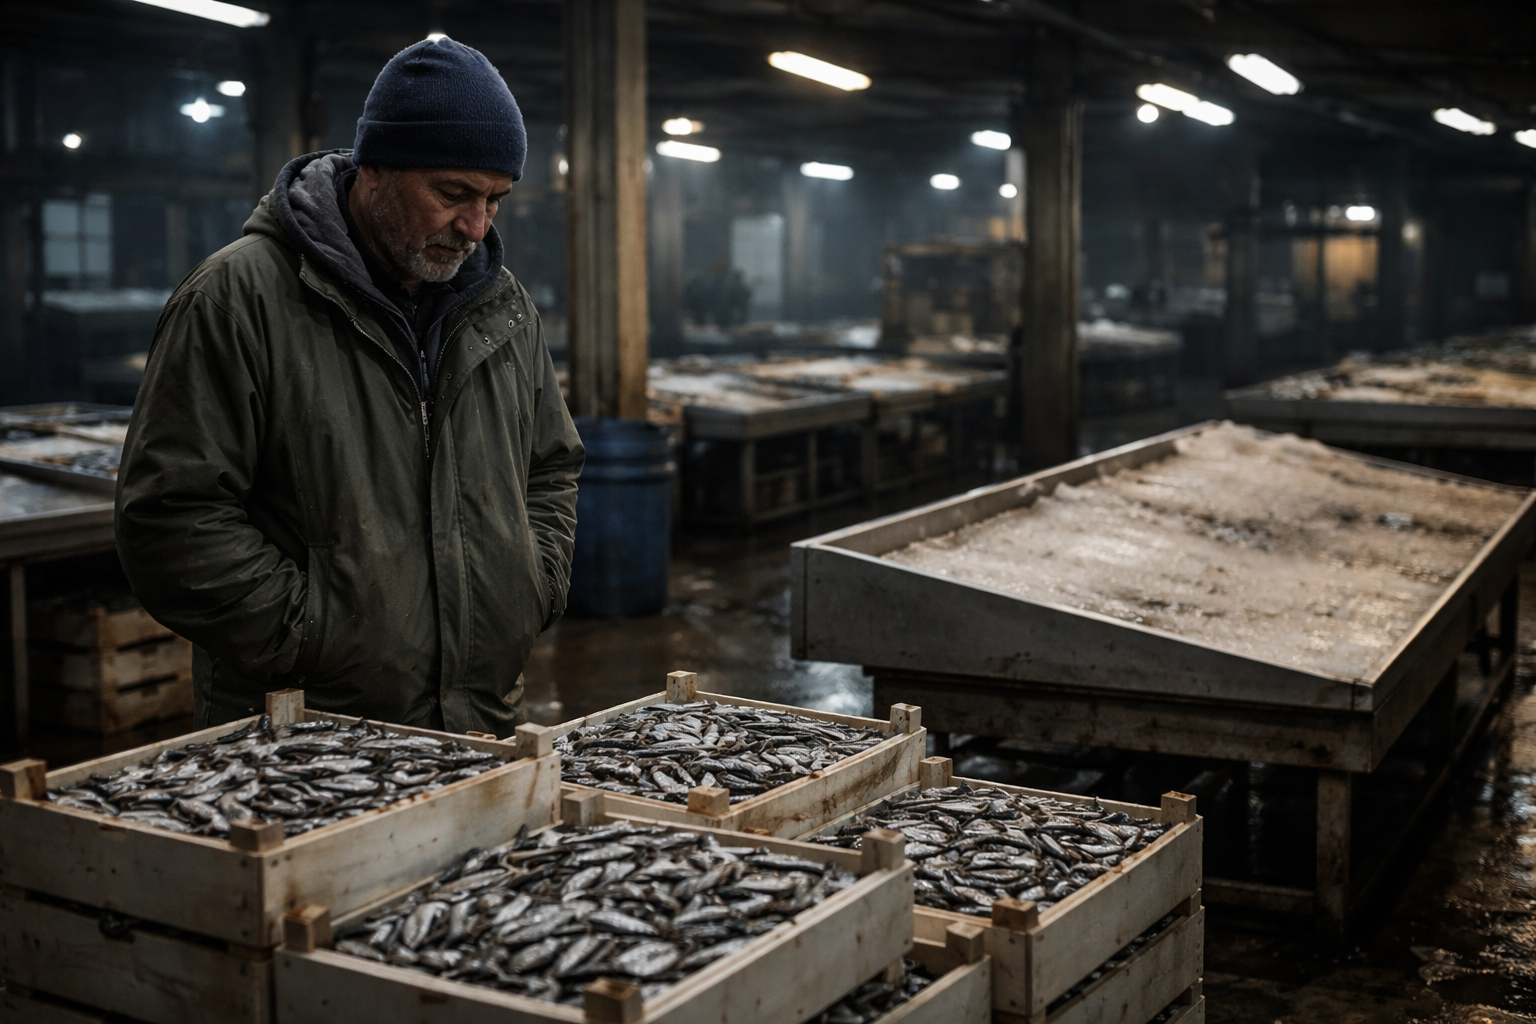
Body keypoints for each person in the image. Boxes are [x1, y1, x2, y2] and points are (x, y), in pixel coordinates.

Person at [116, 37, 583, 735]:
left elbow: (550, 468)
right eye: (452, 194)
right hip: (310, 730)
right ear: (376, 167)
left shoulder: (500, 306)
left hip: (479, 718)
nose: (475, 227)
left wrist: (529, 586)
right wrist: (313, 635)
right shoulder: (240, 298)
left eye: (495, 199)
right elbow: (172, 517)